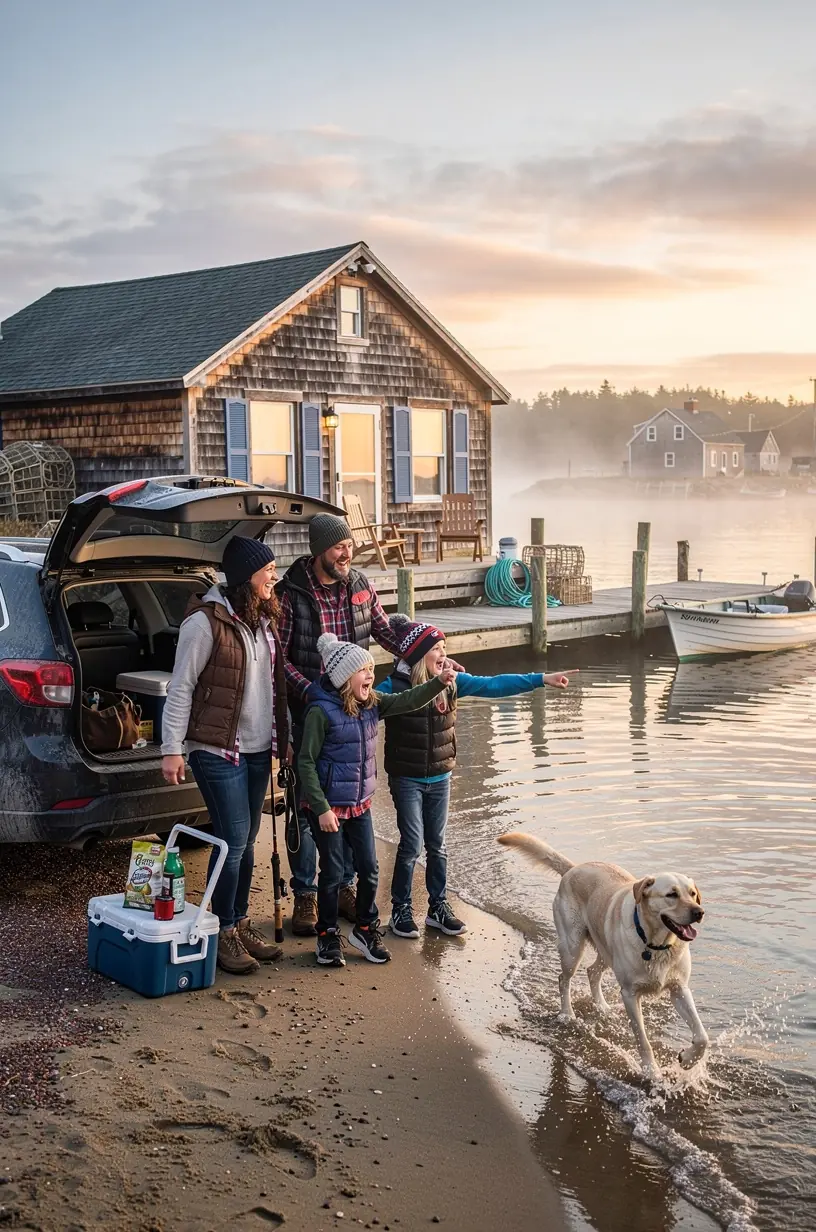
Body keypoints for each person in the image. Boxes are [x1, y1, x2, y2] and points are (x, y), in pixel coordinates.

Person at [277, 513, 463, 937]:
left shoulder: (360, 585)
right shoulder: (293, 593)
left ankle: (341, 887)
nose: (347, 553)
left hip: (353, 708)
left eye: (350, 546)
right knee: (309, 805)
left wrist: (431, 657)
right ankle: (306, 894)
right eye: (339, 547)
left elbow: (386, 631)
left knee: (350, 795)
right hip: (311, 709)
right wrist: (309, 692)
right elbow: (279, 658)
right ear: (320, 549)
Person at [377, 614, 573, 939]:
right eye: (436, 648)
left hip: (440, 776)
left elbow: (494, 685)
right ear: (416, 654)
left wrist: (541, 678)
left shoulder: (453, 682)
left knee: (437, 845)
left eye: (444, 646)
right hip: (406, 777)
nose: (443, 653)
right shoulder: (392, 688)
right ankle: (400, 911)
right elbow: (364, 706)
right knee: (411, 845)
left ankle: (438, 908)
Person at [161, 536, 290, 976]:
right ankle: (223, 931)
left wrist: (283, 740)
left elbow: (276, 687)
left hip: (257, 748)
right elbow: (181, 688)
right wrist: (171, 749)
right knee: (233, 840)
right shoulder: (204, 623)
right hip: (215, 748)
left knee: (246, 839)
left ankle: (237, 921)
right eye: (267, 570)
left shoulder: (263, 619)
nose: (274, 575)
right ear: (244, 578)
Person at [297, 632, 455, 968]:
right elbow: (306, 763)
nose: (370, 676)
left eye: (371, 669)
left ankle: (366, 929)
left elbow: (410, 699)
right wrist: (322, 808)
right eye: (363, 671)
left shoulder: (372, 704)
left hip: (360, 804)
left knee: (369, 870)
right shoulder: (320, 712)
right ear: (343, 678)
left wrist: (439, 682)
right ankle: (327, 937)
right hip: (327, 808)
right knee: (334, 873)